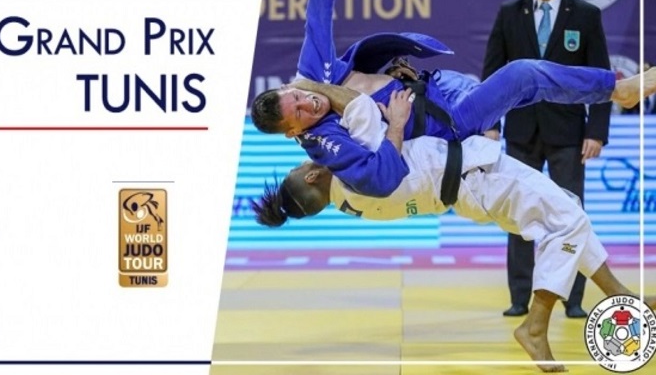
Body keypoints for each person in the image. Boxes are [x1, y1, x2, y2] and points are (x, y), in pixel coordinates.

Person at [251, 87, 655, 373]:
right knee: (567, 221)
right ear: (313, 174)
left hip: (470, 189)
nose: (309, 155)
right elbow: (355, 104)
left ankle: (619, 294)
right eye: (302, 165)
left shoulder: (349, 202)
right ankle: (535, 327)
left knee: (568, 211)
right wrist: (389, 119)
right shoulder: (356, 174)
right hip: (477, 177)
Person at [251, 0, 647, 204]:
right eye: (298, 113)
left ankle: (614, 89)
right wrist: (395, 126)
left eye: (297, 96)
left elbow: (319, 4)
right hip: (453, 121)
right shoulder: (326, 142)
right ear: (293, 132)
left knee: (531, 85)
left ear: (289, 85)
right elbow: (380, 180)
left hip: (440, 85)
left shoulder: (310, 74)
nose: (308, 102)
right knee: (524, 75)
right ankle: (619, 89)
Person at [482, 0, 613, 319]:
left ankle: (573, 299)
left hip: (569, 133)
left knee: (571, 216)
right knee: (518, 215)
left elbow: (601, 75)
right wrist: (490, 124)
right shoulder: (510, 13)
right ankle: (519, 297)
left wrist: (597, 131)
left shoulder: (585, 14)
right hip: (521, 132)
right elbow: (492, 74)